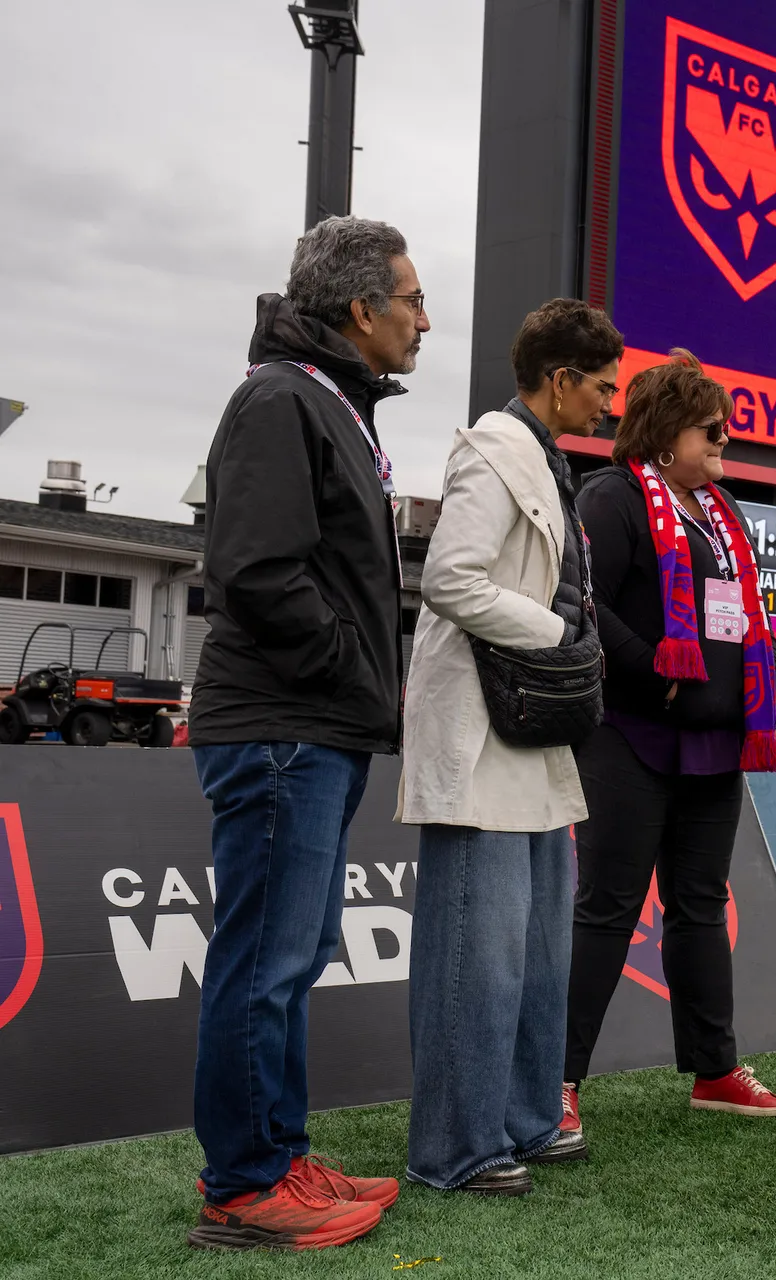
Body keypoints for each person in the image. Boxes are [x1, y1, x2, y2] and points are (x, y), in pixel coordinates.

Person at [185, 216, 426, 1249]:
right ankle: (244, 1186)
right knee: (265, 962)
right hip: (284, 722)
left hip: (316, 723)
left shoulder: (327, 402)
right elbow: (255, 569)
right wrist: (348, 668)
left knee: (291, 955)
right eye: (412, 300)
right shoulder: (283, 398)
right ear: (360, 308)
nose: (424, 321)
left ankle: (278, 1155)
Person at [398, 298, 622, 1196]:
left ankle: (526, 1120)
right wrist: (558, 635)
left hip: (530, 725)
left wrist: (559, 642)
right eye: (600, 386)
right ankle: (454, 1148)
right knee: (476, 955)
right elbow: (450, 579)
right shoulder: (494, 450)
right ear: (560, 380)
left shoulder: (545, 456)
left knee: (536, 954)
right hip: (482, 728)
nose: (608, 402)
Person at [562, 349, 776, 1132]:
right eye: (710, 430)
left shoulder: (721, 512)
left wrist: (764, 665)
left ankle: (714, 1069)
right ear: (664, 437)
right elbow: (583, 599)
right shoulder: (612, 497)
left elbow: (742, 610)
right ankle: (556, 1080)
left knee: (698, 907)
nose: (725, 441)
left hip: (714, 743)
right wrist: (648, 665)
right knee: (608, 908)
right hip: (630, 737)